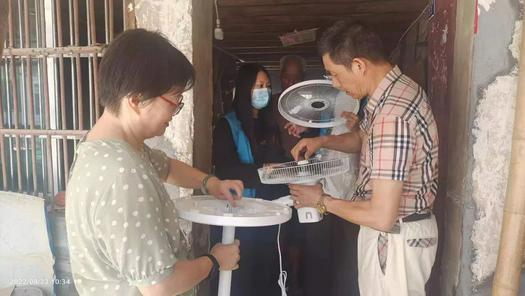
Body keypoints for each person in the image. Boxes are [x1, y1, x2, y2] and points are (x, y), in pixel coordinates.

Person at [65, 29, 242, 296]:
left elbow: (166, 166)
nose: (175, 112)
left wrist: (211, 182)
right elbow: (159, 286)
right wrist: (215, 260)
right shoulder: (122, 173)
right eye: (174, 101)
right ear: (136, 99)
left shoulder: (106, 149)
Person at [289, 21, 439, 296]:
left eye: (334, 74)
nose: (334, 83)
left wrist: (320, 201)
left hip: (393, 237)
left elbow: (382, 216)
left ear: (358, 65)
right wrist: (322, 140)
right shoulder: (393, 95)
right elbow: (363, 140)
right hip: (396, 234)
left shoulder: (392, 115)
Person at [211, 63, 289, 296]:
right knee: (241, 278)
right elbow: (225, 171)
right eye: (258, 86)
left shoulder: (271, 125)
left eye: (267, 85)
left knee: (266, 273)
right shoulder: (227, 125)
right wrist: (264, 171)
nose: (264, 91)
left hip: (271, 214)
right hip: (241, 216)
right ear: (245, 88)